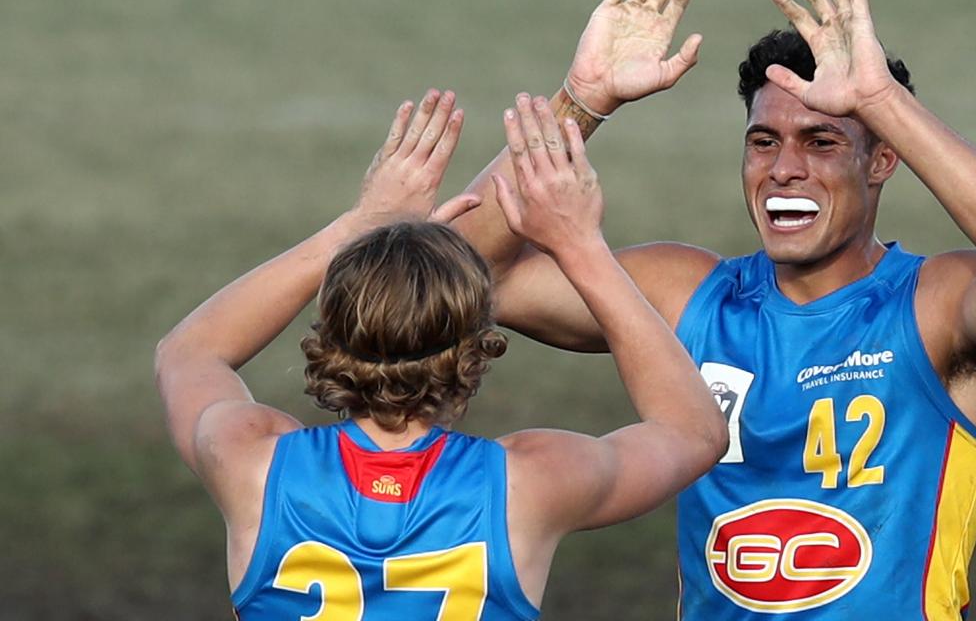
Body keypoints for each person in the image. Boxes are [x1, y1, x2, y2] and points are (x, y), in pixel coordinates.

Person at [452, 0, 976, 618]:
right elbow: (460, 280)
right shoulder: (691, 297)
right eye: (764, 142)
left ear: (883, 161)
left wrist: (881, 98)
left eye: (821, 143)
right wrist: (582, 100)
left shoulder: (933, 309)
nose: (784, 169)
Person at [154, 90, 728, 619]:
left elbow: (189, 351)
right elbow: (694, 431)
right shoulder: (531, 482)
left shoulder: (250, 459)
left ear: (331, 334)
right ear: (474, 356)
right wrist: (582, 247)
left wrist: (359, 227)